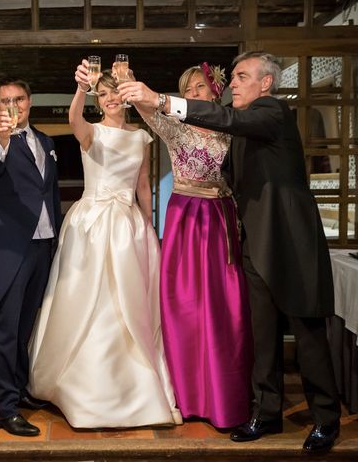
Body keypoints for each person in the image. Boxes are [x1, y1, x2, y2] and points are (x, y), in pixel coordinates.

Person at [121, 51, 341, 453]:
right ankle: (266, 413)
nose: (234, 84)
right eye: (233, 77)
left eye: (241, 77)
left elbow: (227, 119)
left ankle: (326, 418)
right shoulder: (241, 128)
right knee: (262, 334)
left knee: (308, 334)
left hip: (291, 244)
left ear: (266, 84)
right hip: (252, 243)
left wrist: (166, 100)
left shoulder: (272, 113)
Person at [27, 64, 182, 429]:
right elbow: (73, 117)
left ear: (126, 98)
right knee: (89, 299)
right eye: (105, 94)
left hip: (129, 224)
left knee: (130, 301)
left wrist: (148, 226)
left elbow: (143, 184)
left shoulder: (141, 137)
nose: (111, 99)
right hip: (92, 224)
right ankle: (81, 386)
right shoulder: (90, 132)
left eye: (116, 93)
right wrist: (82, 87)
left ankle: (132, 386)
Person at [135, 63, 252, 429]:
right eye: (188, 90)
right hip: (187, 218)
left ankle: (225, 396)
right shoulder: (175, 126)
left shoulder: (232, 127)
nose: (194, 94)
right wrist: (129, 84)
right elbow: (145, 107)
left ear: (215, 90)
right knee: (186, 305)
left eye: (200, 87)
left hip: (222, 219)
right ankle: (188, 396)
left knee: (224, 306)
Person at [0, 78, 62, 437]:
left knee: (26, 326)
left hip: (43, 245)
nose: (13, 105)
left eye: (19, 98)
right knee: (4, 329)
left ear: (30, 100)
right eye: (6, 100)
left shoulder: (47, 142)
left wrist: (56, 241)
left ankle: (21, 389)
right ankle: (4, 408)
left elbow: (50, 193)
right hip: (10, 247)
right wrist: (3, 140)